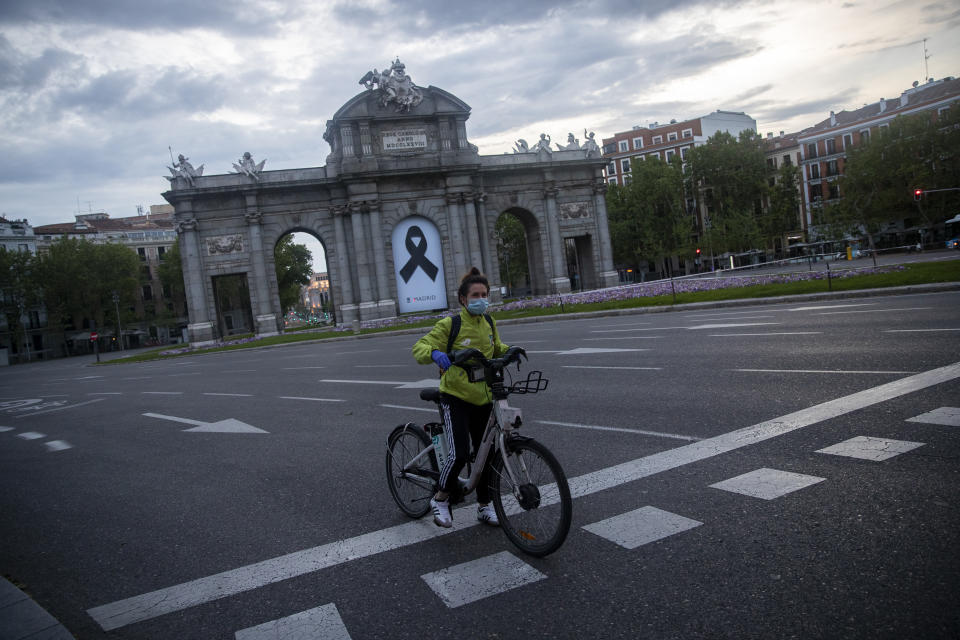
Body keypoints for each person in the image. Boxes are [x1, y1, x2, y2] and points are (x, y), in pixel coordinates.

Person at [412, 267, 514, 528]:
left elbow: (495, 348)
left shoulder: (489, 322)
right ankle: (441, 498)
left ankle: (484, 505)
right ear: (463, 299)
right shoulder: (451, 324)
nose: (481, 299)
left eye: (484, 294)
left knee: (486, 456)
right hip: (455, 397)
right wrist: (435, 354)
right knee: (459, 454)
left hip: (484, 397)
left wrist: (510, 350)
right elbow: (420, 347)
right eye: (475, 295)